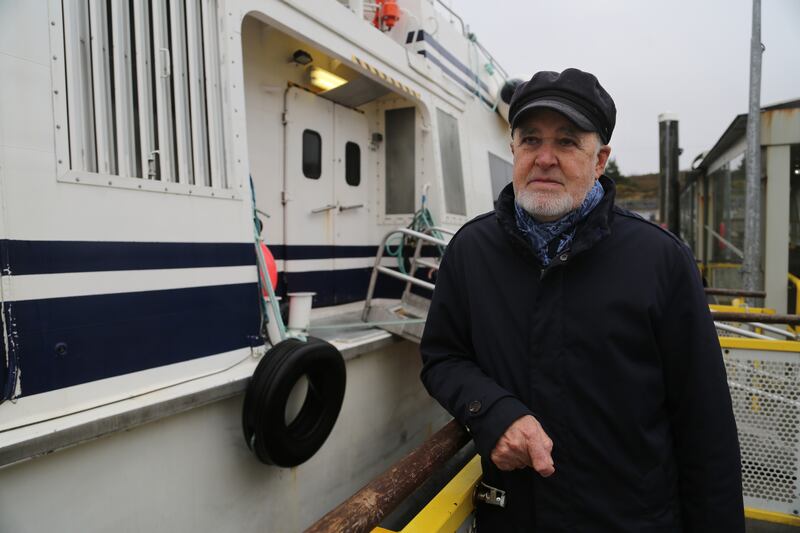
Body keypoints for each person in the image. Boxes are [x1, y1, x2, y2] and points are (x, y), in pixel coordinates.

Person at [419, 68, 744, 531]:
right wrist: (493, 411)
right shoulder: (471, 252)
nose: (545, 158)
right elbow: (443, 356)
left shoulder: (660, 260)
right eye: (530, 140)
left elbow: (704, 425)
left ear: (600, 160)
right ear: (513, 150)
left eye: (567, 142)